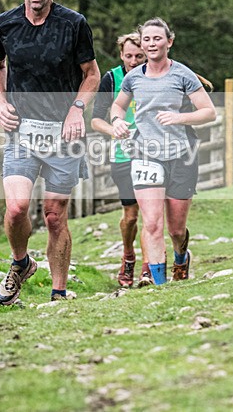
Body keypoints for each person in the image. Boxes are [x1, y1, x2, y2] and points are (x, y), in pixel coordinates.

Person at [0, 0, 100, 304]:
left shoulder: (73, 24)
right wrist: (1, 103)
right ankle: (21, 263)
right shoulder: (4, 24)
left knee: (54, 216)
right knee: (17, 208)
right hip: (22, 130)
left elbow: (91, 74)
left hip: (64, 133)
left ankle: (59, 291)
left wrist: (77, 109)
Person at [110, 17, 216, 286]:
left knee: (176, 229)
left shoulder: (183, 74)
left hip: (181, 155)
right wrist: (117, 121)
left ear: (169, 42)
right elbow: (118, 106)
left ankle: (181, 257)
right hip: (145, 154)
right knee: (152, 224)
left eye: (157, 38)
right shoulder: (133, 77)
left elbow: (209, 112)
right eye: (146, 39)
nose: (151, 44)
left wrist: (179, 118)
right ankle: (159, 283)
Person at [91, 32, 151, 287]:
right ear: (121, 55)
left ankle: (149, 268)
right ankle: (128, 257)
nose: (134, 61)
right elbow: (95, 120)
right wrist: (114, 129)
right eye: (129, 56)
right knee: (131, 216)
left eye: (139, 56)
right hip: (122, 155)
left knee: (151, 213)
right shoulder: (112, 78)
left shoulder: (157, 76)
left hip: (153, 154)